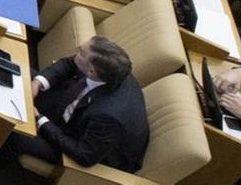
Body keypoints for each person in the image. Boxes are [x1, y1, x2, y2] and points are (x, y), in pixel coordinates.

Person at [14, 38, 149, 172]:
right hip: (73, 112)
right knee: (19, 72)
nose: (77, 49)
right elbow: (68, 64)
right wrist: (37, 83)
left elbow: (84, 155)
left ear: (91, 72)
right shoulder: (104, 67)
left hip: (80, 143)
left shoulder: (108, 117)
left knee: (16, 131)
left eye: (81, 52)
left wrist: (40, 120)